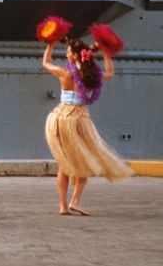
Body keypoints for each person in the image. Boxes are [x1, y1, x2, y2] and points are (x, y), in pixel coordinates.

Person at [42, 38, 132, 215]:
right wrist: (106, 54)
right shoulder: (92, 75)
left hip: (60, 117)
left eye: (68, 52)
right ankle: (75, 201)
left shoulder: (64, 73)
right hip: (80, 119)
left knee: (64, 163)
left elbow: (46, 63)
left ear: (74, 55)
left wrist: (50, 45)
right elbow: (109, 73)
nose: (66, 54)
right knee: (84, 160)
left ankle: (62, 205)